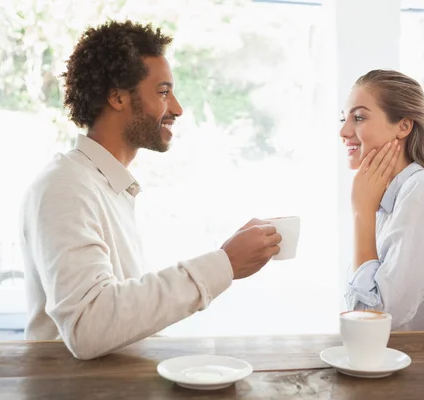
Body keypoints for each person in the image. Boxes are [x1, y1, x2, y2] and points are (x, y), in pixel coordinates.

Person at [19, 20, 282, 360]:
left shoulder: (105, 186)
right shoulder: (64, 186)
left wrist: (227, 258)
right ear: (117, 97)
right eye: (162, 92)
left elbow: (121, 312)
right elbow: (88, 326)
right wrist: (225, 263)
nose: (177, 108)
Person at [340, 69, 424, 331]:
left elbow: (372, 321)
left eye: (358, 117)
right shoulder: (394, 197)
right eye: (344, 118)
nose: (343, 131)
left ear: (404, 126)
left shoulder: (422, 192)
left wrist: (361, 214)